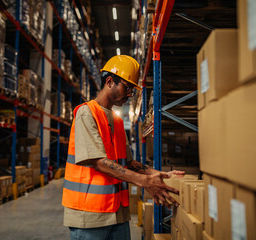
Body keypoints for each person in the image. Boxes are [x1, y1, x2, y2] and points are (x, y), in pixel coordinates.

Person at [62, 55, 184, 240]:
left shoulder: (118, 121)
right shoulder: (86, 113)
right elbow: (99, 163)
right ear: (110, 82)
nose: (129, 94)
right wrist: (144, 182)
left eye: (132, 91)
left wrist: (158, 175)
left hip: (117, 212)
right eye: (127, 88)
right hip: (89, 214)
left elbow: (128, 162)